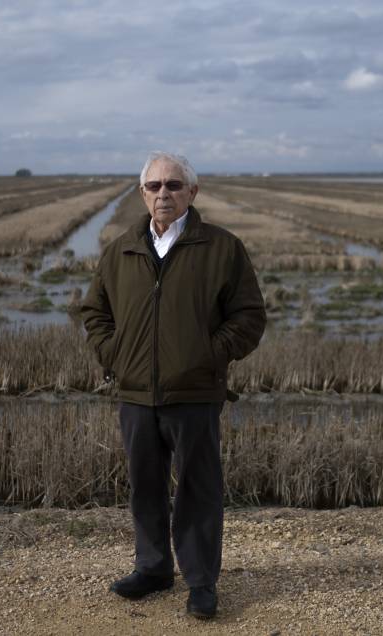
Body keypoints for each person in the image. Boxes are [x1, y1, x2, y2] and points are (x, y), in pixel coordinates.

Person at [81, 151, 266, 619]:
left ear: (192, 192)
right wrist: (115, 355)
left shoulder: (222, 248)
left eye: (174, 185)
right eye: (155, 186)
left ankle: (201, 581)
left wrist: (208, 355)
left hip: (196, 393)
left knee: (198, 489)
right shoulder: (121, 249)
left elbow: (249, 317)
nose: (164, 193)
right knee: (144, 485)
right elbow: (94, 313)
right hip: (136, 394)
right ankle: (154, 568)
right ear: (142, 194)